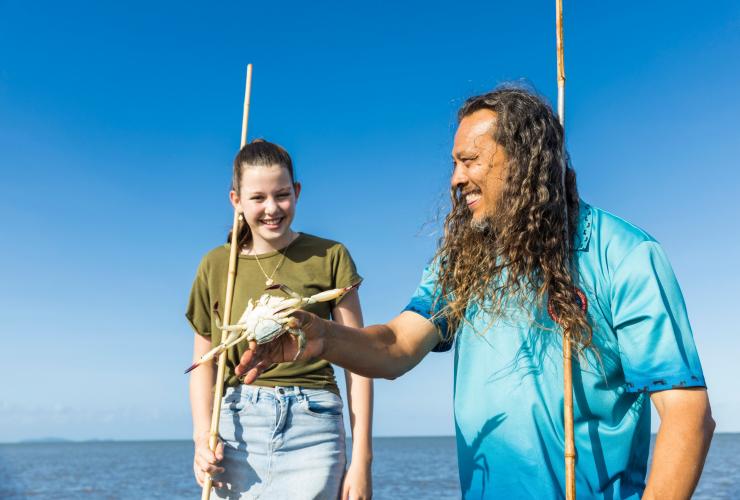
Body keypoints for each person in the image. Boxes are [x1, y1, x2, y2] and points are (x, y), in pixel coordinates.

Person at [236, 88, 715, 499]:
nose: (455, 178)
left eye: (469, 162)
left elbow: (687, 416)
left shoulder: (623, 254)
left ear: (526, 161)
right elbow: (396, 346)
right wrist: (323, 338)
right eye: (453, 164)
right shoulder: (463, 262)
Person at [186, 139, 373, 499]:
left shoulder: (331, 256)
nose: (272, 208)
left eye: (282, 195)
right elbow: (203, 362)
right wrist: (200, 439)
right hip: (237, 426)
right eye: (257, 198)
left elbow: (359, 360)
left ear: (297, 192)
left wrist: (362, 459)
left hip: (315, 424)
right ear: (235, 201)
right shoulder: (216, 265)